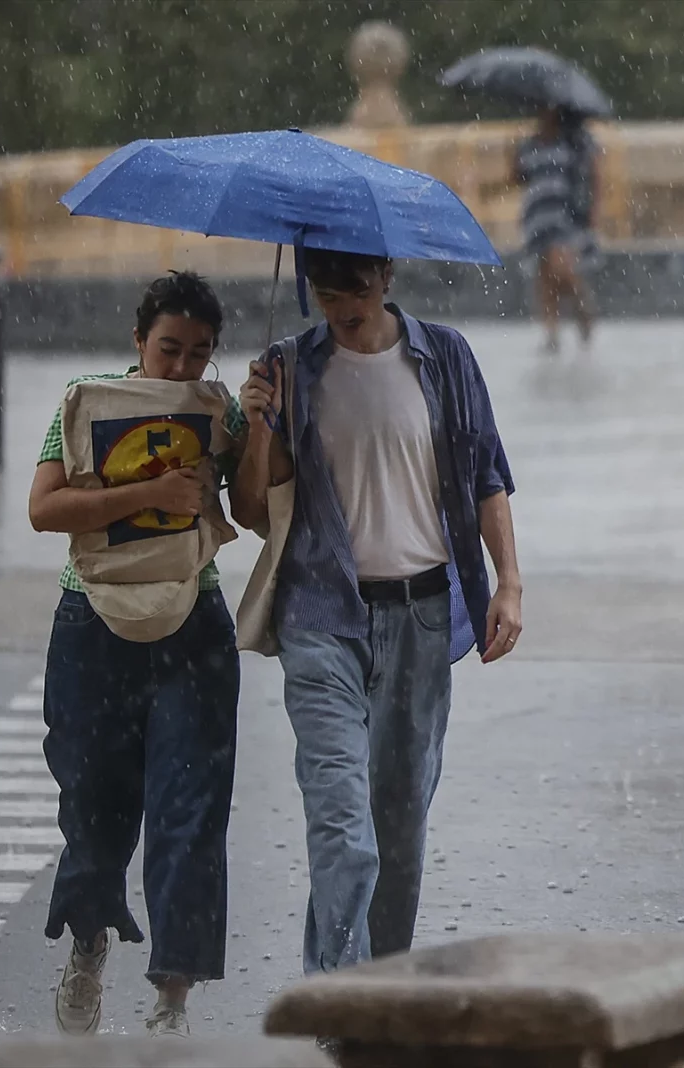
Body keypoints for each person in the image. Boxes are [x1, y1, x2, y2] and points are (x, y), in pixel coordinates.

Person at [235, 247, 522, 975]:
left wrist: (508, 583)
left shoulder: (445, 356)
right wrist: (261, 421)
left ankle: (384, 993)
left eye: (356, 287)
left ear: (388, 274)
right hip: (322, 618)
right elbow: (249, 509)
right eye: (325, 291)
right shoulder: (288, 367)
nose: (341, 305)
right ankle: (337, 996)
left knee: (397, 830)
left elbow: (488, 474)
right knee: (345, 830)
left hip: (423, 616)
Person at [28, 271, 262, 1038]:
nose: (183, 367)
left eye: (199, 353)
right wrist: (148, 497)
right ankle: (89, 943)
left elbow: (254, 511)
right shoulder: (86, 399)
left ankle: (172, 998)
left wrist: (257, 429)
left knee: (190, 810)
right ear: (138, 341)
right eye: (168, 349)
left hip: (191, 619)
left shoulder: (216, 409)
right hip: (92, 621)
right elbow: (45, 508)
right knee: (92, 803)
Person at [513, 105, 601, 354]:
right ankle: (551, 332)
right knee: (545, 276)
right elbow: (518, 177)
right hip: (538, 215)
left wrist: (594, 208)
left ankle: (583, 307)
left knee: (562, 267)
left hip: (566, 213)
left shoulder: (574, 140)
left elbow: (594, 172)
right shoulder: (530, 144)